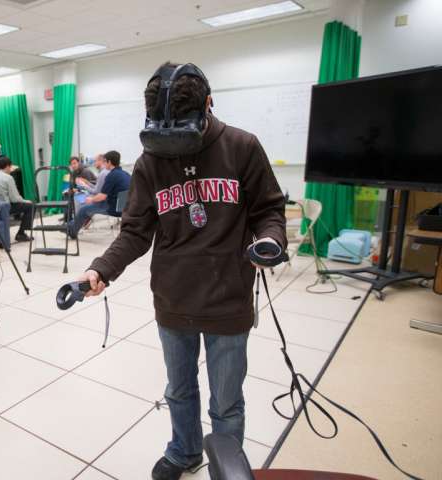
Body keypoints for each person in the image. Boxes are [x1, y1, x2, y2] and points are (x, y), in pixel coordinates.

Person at [76, 62, 286, 480]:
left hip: (228, 297)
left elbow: (268, 209)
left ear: (209, 104)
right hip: (173, 299)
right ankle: (185, 451)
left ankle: (227, 467)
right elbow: (135, 232)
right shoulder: (150, 160)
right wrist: (100, 270)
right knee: (179, 389)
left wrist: (272, 240)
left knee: (226, 401)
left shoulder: (243, 147)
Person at [67, 150, 129, 238]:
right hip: (123, 208)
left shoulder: (110, 175)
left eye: (105, 161)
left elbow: (102, 196)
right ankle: (70, 226)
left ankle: (71, 231)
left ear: (109, 162)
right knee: (87, 205)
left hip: (113, 208)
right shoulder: (125, 174)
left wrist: (91, 198)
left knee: (83, 209)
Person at [0, 156, 34, 242]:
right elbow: (14, 199)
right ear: (7, 166)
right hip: (4, 207)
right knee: (31, 206)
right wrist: (26, 201)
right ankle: (21, 234)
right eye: (10, 167)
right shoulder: (8, 178)